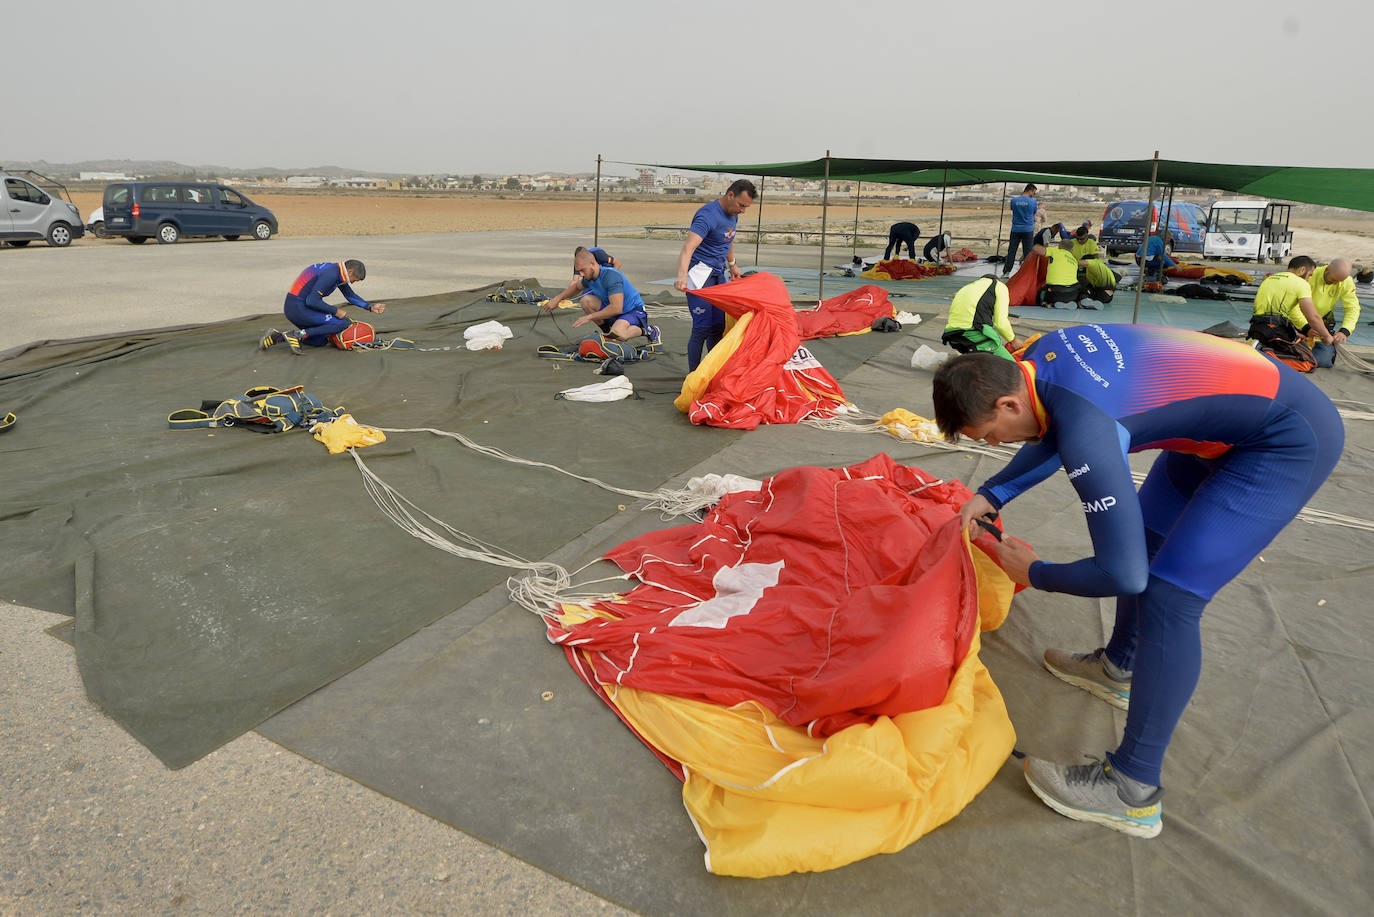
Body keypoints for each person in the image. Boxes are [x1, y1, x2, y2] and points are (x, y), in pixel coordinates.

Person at [931, 325, 1342, 838]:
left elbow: (1120, 572)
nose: (995, 445)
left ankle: (1132, 789)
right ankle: (1118, 666)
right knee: (1146, 535)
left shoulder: (1088, 430)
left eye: (990, 436)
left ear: (1010, 403)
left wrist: (1034, 573)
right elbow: (1050, 422)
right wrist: (993, 492)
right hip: (1226, 425)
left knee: (1169, 596)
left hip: (1286, 440)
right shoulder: (1034, 358)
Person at [675, 179, 755, 370]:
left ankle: (712, 373)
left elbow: (728, 238)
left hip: (718, 274)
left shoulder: (733, 214)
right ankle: (693, 376)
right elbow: (688, 248)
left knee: (718, 327)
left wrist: (732, 264)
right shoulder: (707, 216)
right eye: (741, 205)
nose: (743, 211)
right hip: (699, 276)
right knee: (702, 328)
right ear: (730, 195)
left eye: (746, 207)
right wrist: (681, 276)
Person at [261, 259, 386, 352]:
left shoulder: (337, 271)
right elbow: (312, 301)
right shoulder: (331, 274)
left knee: (319, 340)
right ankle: (294, 335)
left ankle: (277, 337)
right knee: (343, 323)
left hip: (295, 306)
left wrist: (370, 306)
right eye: (355, 280)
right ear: (350, 271)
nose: (352, 283)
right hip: (298, 308)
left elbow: (350, 295)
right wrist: (335, 311)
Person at [544, 247, 658, 344]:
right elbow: (576, 287)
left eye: (583, 270)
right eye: (579, 272)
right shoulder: (589, 277)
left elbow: (616, 308)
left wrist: (589, 317)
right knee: (586, 301)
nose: (581, 274)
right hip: (615, 310)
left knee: (618, 333)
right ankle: (608, 334)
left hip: (633, 311)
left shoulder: (611, 276)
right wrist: (557, 299)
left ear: (593, 264)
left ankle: (648, 330)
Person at [1251, 256, 1333, 350]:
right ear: (1302, 270)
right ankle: (1265, 350)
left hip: (1256, 329)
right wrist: (1326, 335)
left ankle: (1260, 347)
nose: (1308, 279)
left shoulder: (1269, 279)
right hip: (1275, 332)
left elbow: (1291, 311)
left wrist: (1301, 331)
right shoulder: (1301, 284)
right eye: (1310, 275)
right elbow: (1313, 317)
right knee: (1308, 361)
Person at [941, 274, 1024, 361]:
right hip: (973, 332)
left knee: (977, 362)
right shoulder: (999, 286)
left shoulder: (967, 287)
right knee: (1012, 368)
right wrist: (1013, 340)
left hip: (952, 335)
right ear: (997, 280)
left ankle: (960, 359)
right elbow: (1001, 322)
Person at [1295, 258, 1360, 368]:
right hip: (1298, 321)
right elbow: (1293, 307)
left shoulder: (1346, 282)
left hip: (1320, 325)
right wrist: (1305, 327)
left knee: (1324, 361)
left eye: (1339, 281)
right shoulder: (1310, 275)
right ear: (1327, 269)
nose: (1336, 283)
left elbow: (1352, 308)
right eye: (1333, 280)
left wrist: (1345, 331)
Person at [1002, 184, 1038, 277]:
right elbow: (1033, 213)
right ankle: (1027, 273)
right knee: (1028, 252)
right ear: (1030, 190)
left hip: (1016, 229)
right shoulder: (1033, 202)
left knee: (1012, 251)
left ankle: (1006, 272)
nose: (1034, 194)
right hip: (1028, 229)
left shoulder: (1014, 201)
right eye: (1034, 192)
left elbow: (1013, 210)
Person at [1038, 241, 1085, 308]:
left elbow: (1039, 250)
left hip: (1055, 293)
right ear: (1072, 249)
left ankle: (1047, 303)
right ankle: (1080, 301)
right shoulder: (1074, 260)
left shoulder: (1055, 251)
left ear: (1059, 246)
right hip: (1073, 294)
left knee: (1043, 290)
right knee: (1080, 287)